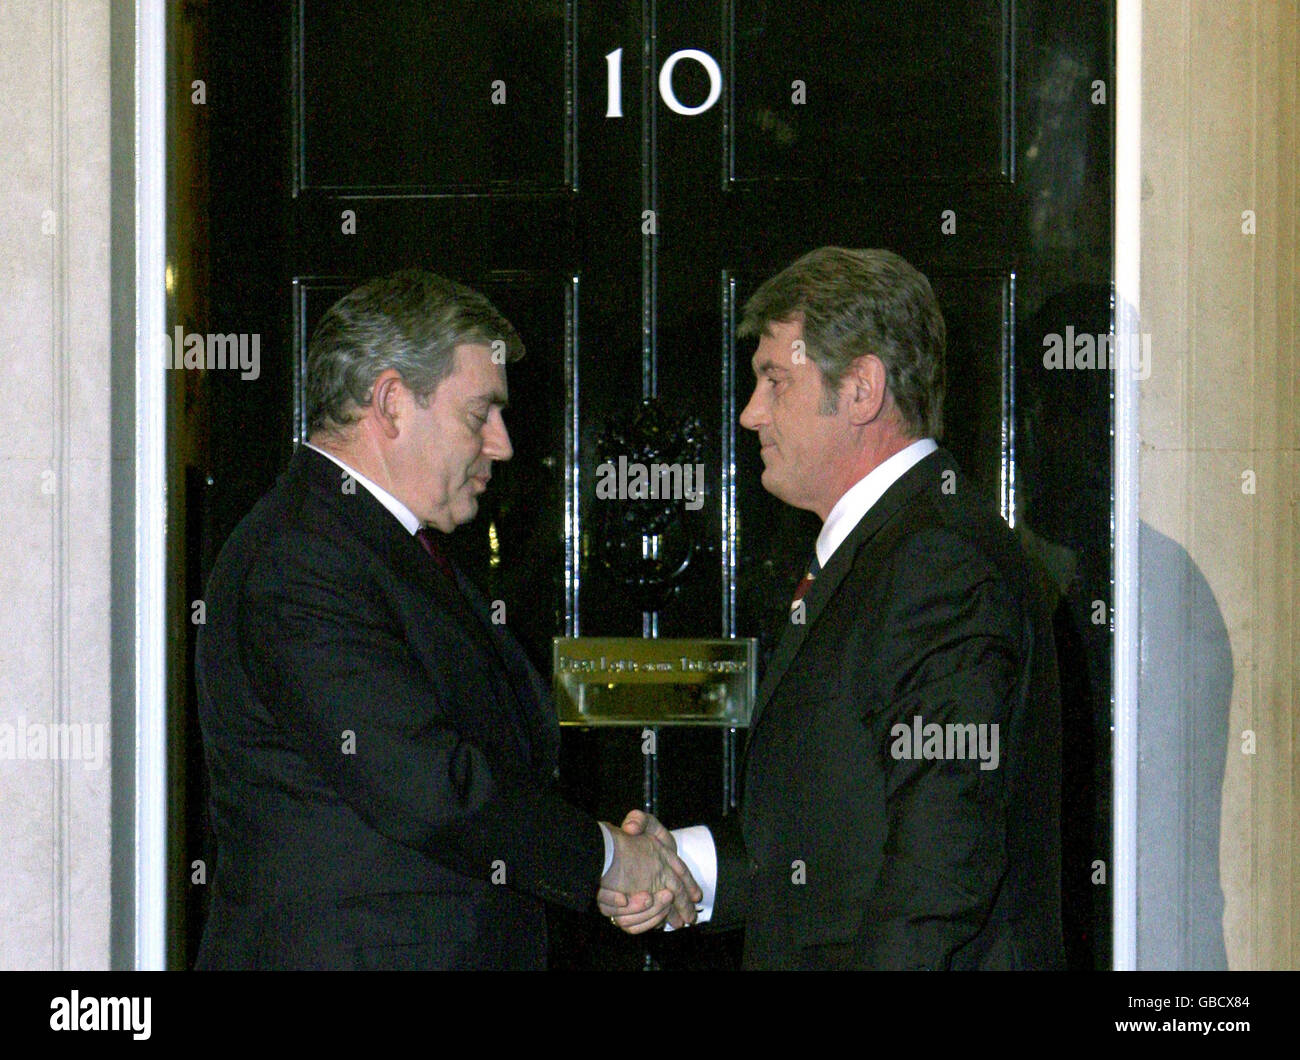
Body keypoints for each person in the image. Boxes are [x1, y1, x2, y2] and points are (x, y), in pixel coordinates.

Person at [194, 269, 699, 970]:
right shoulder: (301, 558)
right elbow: (431, 790)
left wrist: (608, 853)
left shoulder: (378, 545)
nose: (503, 444)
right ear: (393, 403)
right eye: (479, 414)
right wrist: (609, 859)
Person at [601, 247, 1066, 970]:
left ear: (861, 389)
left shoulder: (935, 562)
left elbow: (942, 861)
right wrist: (685, 864)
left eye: (774, 381)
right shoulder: (890, 548)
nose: (751, 414)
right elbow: (841, 835)